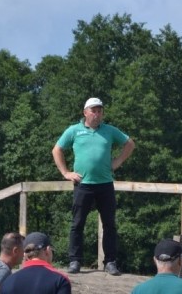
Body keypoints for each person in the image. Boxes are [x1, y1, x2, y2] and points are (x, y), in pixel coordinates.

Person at [52, 97, 135, 276]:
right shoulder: (74, 130)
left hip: (105, 183)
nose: (97, 114)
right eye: (93, 111)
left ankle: (110, 262)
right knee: (77, 224)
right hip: (83, 184)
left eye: (100, 111)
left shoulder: (109, 130)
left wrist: (118, 161)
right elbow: (57, 149)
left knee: (109, 224)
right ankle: (75, 261)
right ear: (85, 112)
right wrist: (66, 173)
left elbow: (129, 144)